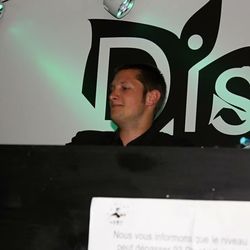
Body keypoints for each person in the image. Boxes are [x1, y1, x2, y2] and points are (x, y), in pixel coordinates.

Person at [67, 63, 188, 146]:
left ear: (151, 98)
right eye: (112, 89)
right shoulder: (86, 144)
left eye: (124, 88)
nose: (112, 96)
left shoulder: (176, 150)